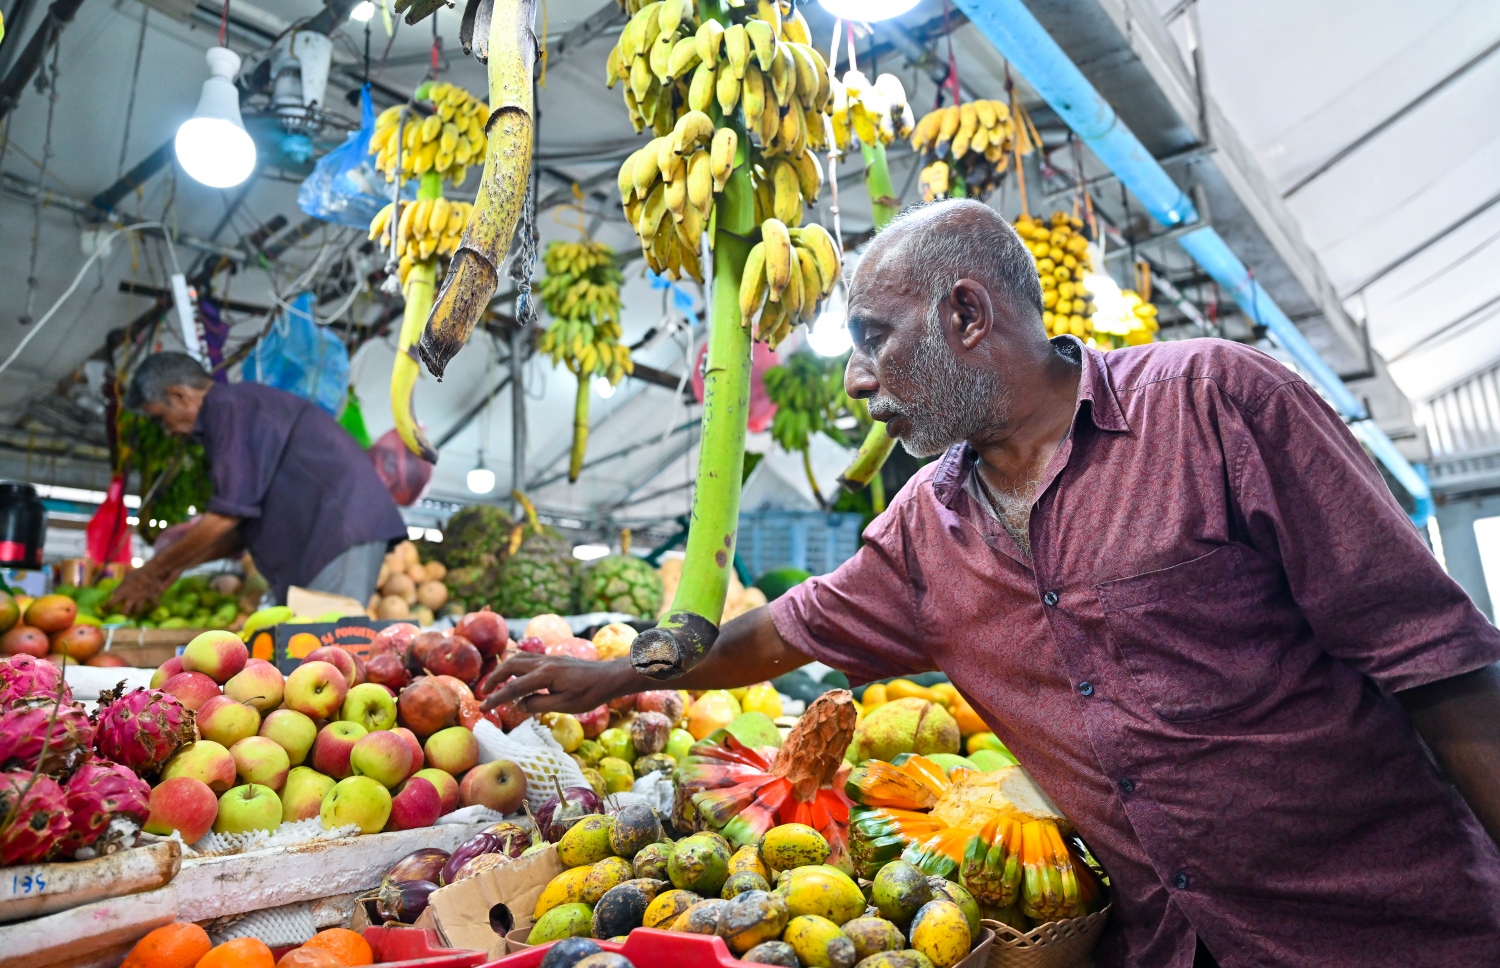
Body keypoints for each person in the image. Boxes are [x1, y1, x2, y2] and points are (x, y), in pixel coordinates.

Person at [480, 200, 1500, 966]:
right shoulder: (929, 525)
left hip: (1393, 926)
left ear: (966, 312)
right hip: (1173, 946)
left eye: (874, 339)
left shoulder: (1216, 405)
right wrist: (615, 677)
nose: (855, 381)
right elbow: (787, 631)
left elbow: (1438, 661)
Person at [111, 352, 408, 612]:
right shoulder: (233, 411)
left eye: (162, 418)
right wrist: (175, 566)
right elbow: (239, 528)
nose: (167, 431)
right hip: (329, 535)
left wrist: (151, 572)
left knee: (327, 648)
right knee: (312, 653)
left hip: (339, 530)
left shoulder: (230, 408)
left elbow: (226, 517)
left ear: (179, 395)